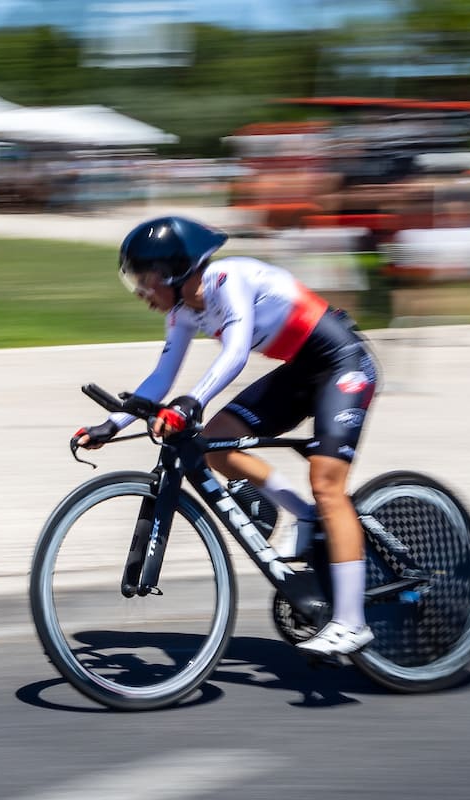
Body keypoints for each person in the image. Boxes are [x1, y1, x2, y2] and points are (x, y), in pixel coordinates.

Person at [71, 216, 379, 657]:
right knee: (217, 442)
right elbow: (161, 378)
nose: (141, 292)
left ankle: (351, 623)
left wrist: (190, 403)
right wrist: (113, 423)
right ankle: (304, 516)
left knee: (327, 484)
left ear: (176, 272)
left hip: (343, 362)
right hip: (300, 371)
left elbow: (235, 352)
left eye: (146, 280)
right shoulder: (181, 312)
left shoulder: (226, 279)